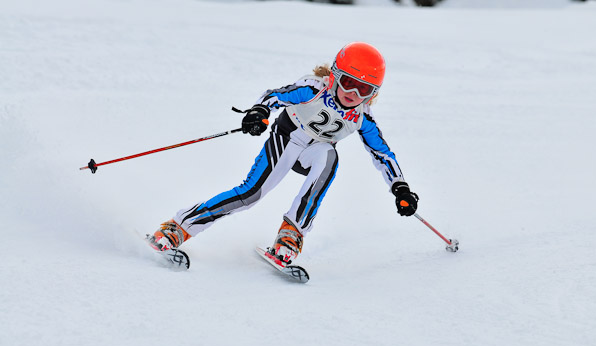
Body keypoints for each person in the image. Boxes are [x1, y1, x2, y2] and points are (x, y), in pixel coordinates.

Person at [147, 42, 419, 266]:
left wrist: (401, 188)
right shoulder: (314, 88)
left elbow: (381, 153)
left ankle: (291, 233)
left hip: (315, 151)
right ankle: (179, 227)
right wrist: (260, 112)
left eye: (364, 89)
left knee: (329, 157)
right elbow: (275, 95)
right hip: (288, 138)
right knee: (250, 194)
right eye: (348, 82)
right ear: (335, 75)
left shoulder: (364, 118)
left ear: (373, 94)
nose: (352, 94)